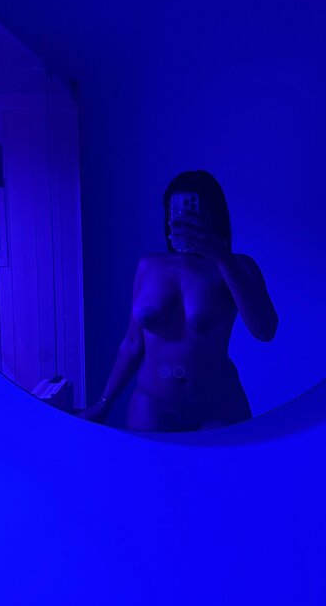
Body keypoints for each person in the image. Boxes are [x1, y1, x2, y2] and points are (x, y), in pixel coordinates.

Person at [79, 170, 277, 431]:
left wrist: (222, 256)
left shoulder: (238, 266)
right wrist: (104, 403)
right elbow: (133, 343)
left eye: (194, 210)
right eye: (176, 210)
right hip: (152, 405)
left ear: (213, 214)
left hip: (218, 408)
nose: (183, 217)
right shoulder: (149, 266)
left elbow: (265, 330)